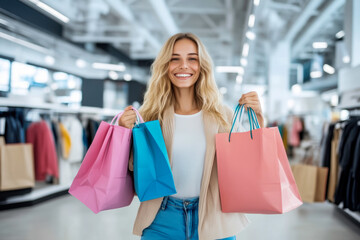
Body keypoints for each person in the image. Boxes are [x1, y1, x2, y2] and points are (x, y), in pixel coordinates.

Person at [119, 33, 264, 240]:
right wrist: (123, 133)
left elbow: (249, 162)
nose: (183, 65)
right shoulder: (149, 116)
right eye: (174, 58)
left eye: (192, 58)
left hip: (214, 217)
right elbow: (133, 167)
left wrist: (258, 118)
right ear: (165, 65)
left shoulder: (223, 115)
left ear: (202, 65)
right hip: (161, 219)